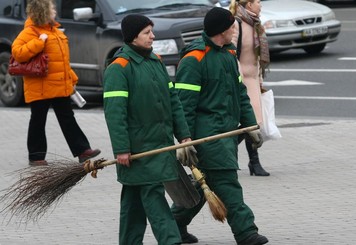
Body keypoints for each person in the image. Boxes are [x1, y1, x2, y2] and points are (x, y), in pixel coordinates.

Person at [171, 7, 269, 245]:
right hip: (208, 136)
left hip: (226, 133)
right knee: (226, 183)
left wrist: (250, 126)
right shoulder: (195, 60)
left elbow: (240, 94)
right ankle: (246, 233)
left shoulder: (227, 54)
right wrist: (185, 140)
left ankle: (173, 225)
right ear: (223, 31)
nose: (235, 30)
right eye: (232, 27)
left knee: (202, 186)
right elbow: (183, 106)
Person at [103, 14, 194, 245]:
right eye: (147, 32)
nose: (152, 36)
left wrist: (183, 135)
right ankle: (171, 240)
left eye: (151, 31)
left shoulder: (156, 61)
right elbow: (115, 114)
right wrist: (122, 148)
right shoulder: (119, 68)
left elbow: (173, 101)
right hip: (138, 149)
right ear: (133, 37)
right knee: (153, 196)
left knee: (133, 200)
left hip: (159, 144)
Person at [11, 0, 100, 166]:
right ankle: (36, 157)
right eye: (51, 9)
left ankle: (82, 151)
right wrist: (39, 42)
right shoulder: (30, 31)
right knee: (38, 120)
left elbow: (61, 61)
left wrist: (71, 78)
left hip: (58, 84)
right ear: (42, 12)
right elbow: (18, 53)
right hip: (40, 86)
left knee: (67, 118)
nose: (54, 11)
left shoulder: (55, 31)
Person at [229, 0, 270, 177]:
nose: (261, 5)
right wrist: (238, 79)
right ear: (249, 5)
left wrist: (260, 80)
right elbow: (231, 53)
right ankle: (227, 153)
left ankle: (253, 162)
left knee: (253, 124)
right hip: (241, 80)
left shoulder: (256, 24)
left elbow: (257, 57)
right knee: (250, 123)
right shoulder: (237, 23)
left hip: (253, 79)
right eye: (258, 2)